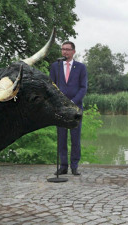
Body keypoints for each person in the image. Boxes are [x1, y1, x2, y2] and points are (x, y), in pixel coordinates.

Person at [50, 41, 88, 176]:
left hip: (75, 108)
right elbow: (51, 86)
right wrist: (59, 103)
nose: (65, 52)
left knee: (75, 138)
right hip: (60, 108)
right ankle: (63, 166)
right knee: (61, 138)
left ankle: (75, 166)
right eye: (63, 49)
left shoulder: (81, 67)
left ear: (73, 51)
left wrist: (72, 102)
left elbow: (83, 88)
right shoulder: (55, 66)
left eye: (67, 49)